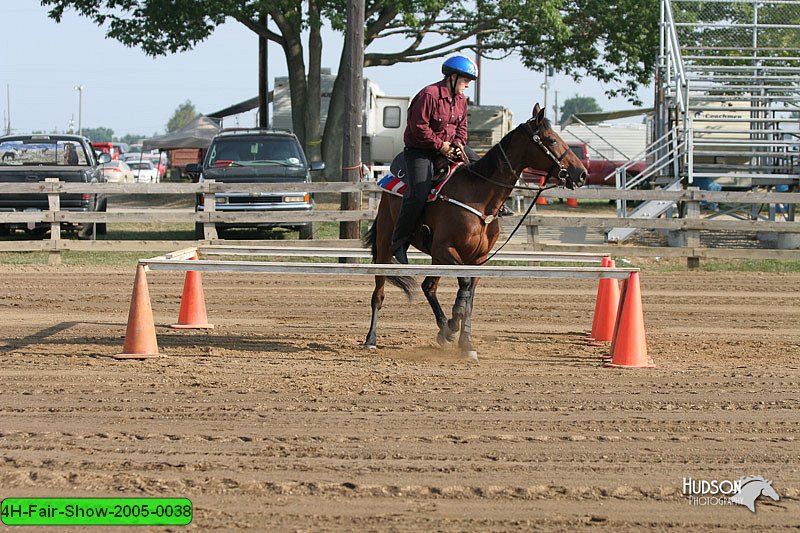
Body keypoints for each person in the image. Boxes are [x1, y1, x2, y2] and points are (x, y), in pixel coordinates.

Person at [390, 55, 478, 264]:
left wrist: (457, 143)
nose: (467, 85)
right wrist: (442, 146)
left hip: (448, 148)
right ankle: (399, 241)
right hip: (420, 151)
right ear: (453, 77)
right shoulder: (428, 95)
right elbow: (418, 127)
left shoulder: (461, 100)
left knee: (479, 166)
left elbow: (462, 127)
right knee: (418, 193)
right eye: (466, 80)